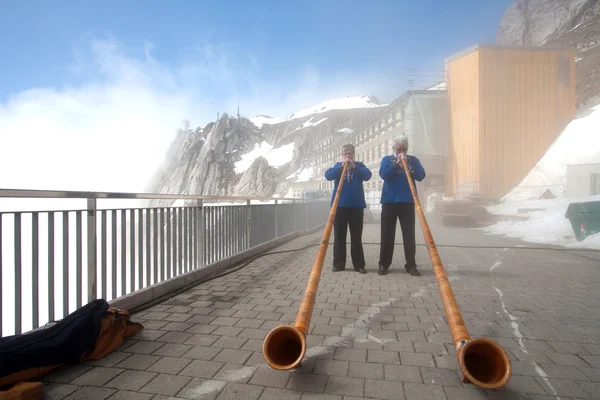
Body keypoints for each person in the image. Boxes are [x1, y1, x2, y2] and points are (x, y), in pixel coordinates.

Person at [378, 135, 426, 276]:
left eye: (404, 149)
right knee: (387, 235)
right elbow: (384, 175)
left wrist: (409, 167)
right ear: (393, 148)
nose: (401, 152)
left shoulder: (413, 160)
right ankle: (384, 264)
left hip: (407, 202)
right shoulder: (387, 160)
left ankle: (411, 265)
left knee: (409, 235)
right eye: (399, 149)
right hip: (389, 202)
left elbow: (421, 176)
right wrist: (396, 164)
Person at [324, 144, 372, 274]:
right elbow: (328, 175)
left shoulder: (359, 165)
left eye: (350, 153)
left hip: (356, 206)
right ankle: (339, 264)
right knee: (339, 236)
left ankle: (359, 265)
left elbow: (367, 175)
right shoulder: (337, 166)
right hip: (339, 206)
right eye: (345, 153)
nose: (348, 156)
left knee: (356, 237)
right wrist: (341, 167)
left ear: (354, 154)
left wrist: (354, 166)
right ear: (342, 155)